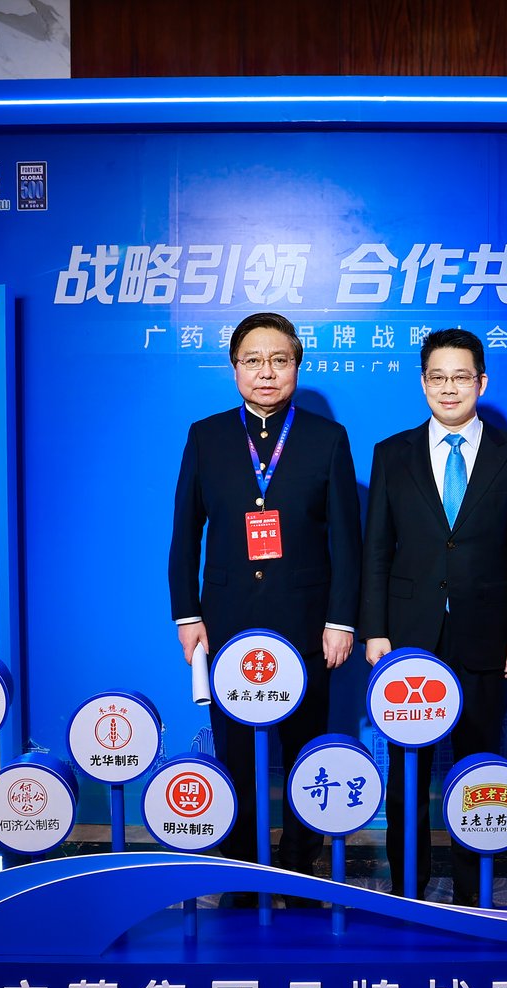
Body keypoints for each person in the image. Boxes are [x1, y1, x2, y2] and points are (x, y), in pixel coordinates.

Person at [168, 312, 362, 883]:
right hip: (226, 619)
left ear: (297, 366)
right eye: (253, 361)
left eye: (280, 360)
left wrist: (341, 620)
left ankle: (300, 862)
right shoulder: (206, 436)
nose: (267, 372)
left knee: (306, 746)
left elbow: (347, 541)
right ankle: (241, 864)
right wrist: (187, 614)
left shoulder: (327, 439)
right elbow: (185, 533)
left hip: (306, 620)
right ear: (234, 369)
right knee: (234, 749)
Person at [360, 327, 507, 905]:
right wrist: (375, 629)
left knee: (479, 769)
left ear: (481, 382)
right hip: (407, 637)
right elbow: (376, 550)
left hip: (485, 636)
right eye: (437, 377)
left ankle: (472, 892)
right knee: (406, 774)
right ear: (423, 383)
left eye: (460, 377)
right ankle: (406, 886)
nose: (448, 388)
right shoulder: (392, 454)